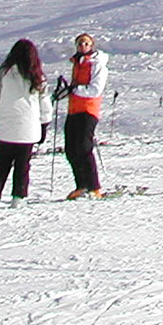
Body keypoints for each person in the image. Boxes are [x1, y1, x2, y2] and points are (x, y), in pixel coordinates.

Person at [0, 39, 46, 208]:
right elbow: (44, 103)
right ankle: (19, 197)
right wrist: (45, 123)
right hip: (29, 128)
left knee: (1, 163)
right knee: (23, 165)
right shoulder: (37, 75)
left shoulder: (5, 73)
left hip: (8, 125)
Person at [59, 32, 108, 200]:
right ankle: (81, 185)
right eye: (80, 43)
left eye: (86, 44)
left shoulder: (97, 63)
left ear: (92, 45)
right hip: (73, 109)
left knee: (84, 147)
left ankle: (94, 187)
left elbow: (95, 89)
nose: (83, 47)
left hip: (88, 109)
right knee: (71, 149)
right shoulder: (77, 63)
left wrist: (75, 90)